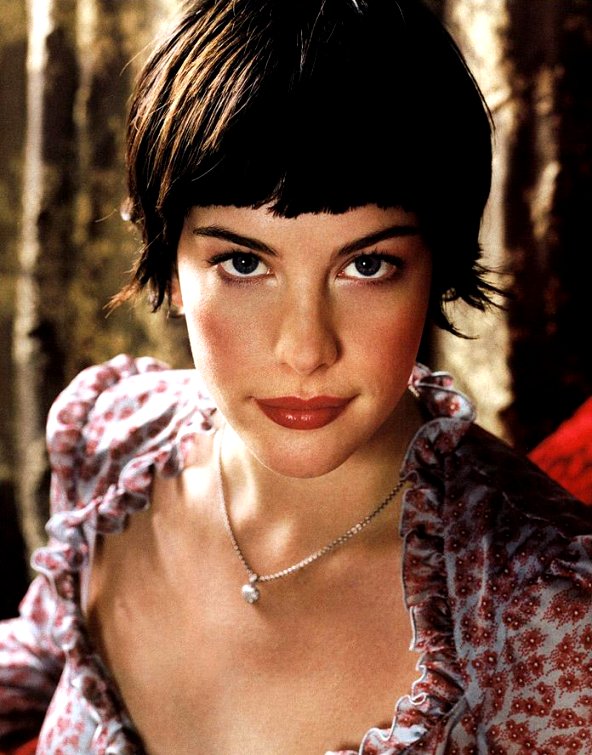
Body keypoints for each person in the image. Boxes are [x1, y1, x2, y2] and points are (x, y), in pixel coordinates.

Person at [1, 0, 591, 752]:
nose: (306, 349)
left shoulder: (549, 616)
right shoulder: (114, 441)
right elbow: (42, 652)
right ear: (171, 266)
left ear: (435, 267)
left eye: (367, 265)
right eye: (243, 262)